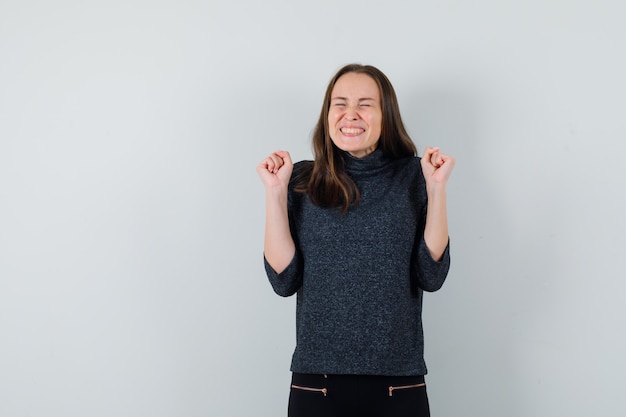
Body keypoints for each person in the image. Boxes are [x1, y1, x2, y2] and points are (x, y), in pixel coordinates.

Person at [257, 63, 455, 417]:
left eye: (365, 104)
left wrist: (436, 188)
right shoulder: (301, 178)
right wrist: (275, 193)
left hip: (399, 382)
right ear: (327, 113)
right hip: (317, 383)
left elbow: (432, 276)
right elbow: (284, 280)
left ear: (385, 114)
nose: (351, 114)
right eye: (340, 103)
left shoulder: (415, 176)